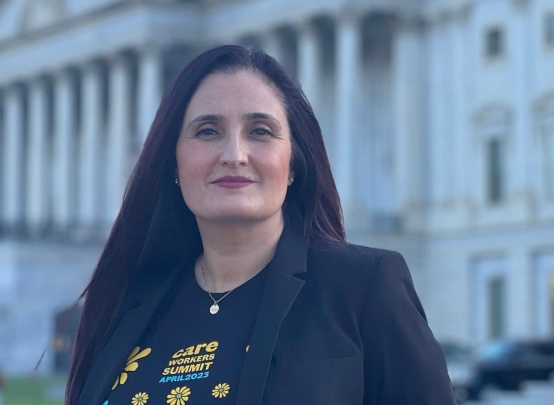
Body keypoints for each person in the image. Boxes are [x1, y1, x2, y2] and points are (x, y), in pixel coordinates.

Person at [65, 45, 456, 405]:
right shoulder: (131, 301)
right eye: (207, 131)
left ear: (293, 163)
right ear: (173, 165)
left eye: (260, 131)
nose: (234, 154)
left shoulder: (363, 287)